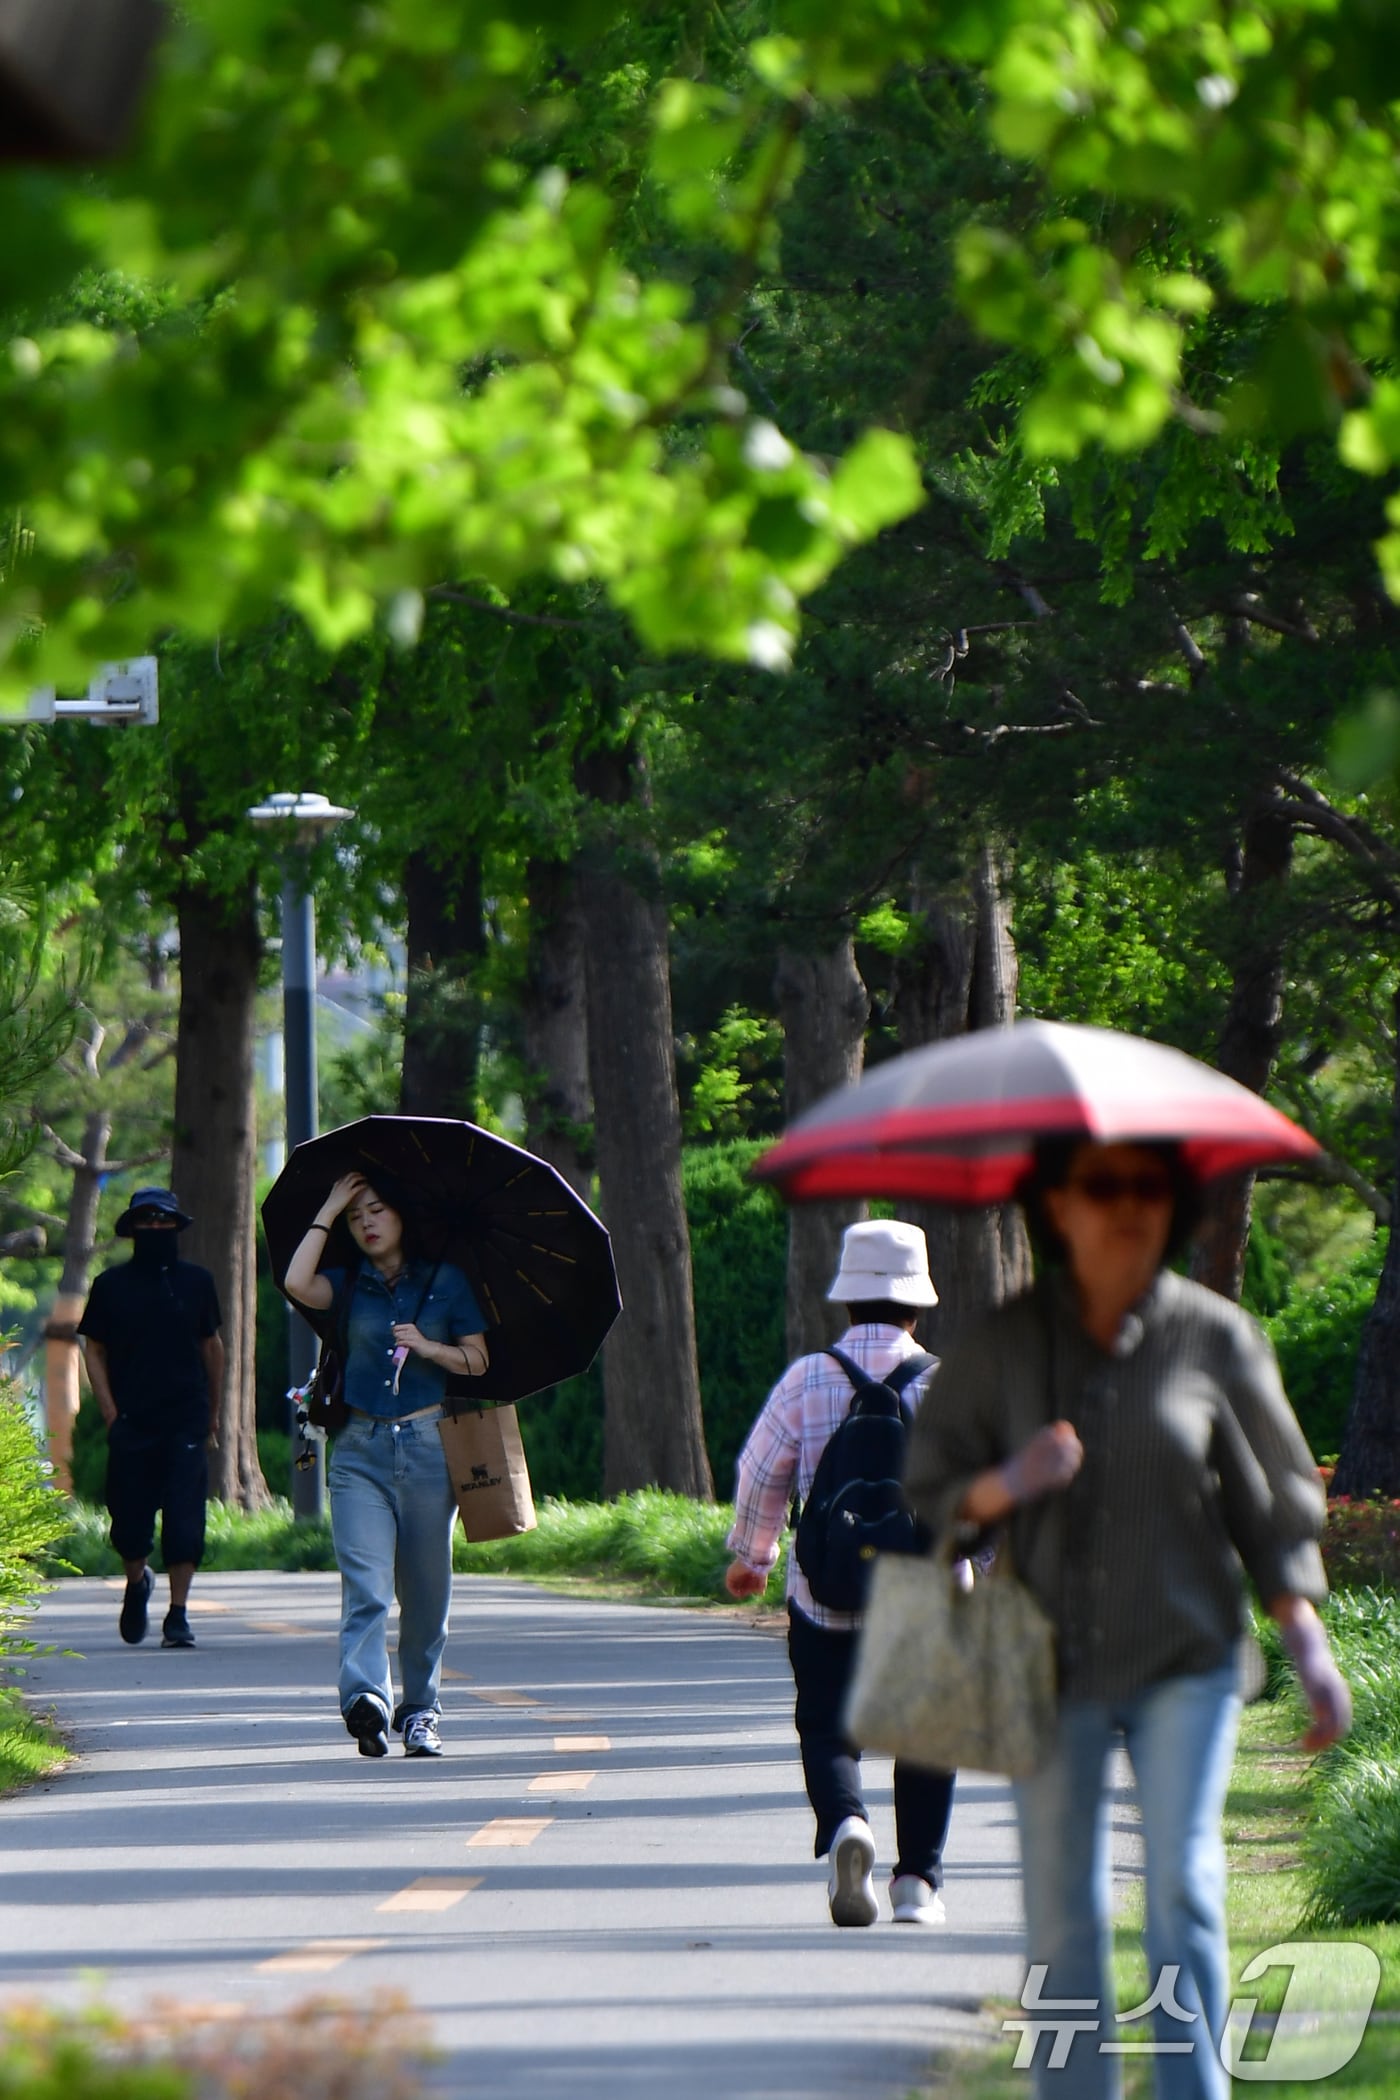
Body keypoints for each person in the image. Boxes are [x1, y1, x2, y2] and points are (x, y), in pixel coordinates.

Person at [902, 1138, 1352, 2100]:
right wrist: (1007, 1482)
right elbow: (933, 1485)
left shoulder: (1217, 1338)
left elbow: (1270, 1508)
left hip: (1187, 1655)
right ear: (1057, 1205)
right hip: (1049, 1660)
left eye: (1152, 1187)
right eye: (1103, 1186)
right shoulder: (1004, 1344)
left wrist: (1308, 1645)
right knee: (1064, 1908)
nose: (1129, 1206)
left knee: (1185, 1885)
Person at [725, 1218, 956, 1929]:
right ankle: (916, 1882)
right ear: (918, 1303)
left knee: (827, 1727)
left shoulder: (808, 1378)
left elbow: (762, 1472)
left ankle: (847, 1824)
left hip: (824, 1595)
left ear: (847, 1301)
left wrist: (751, 1558)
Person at [283, 1170, 490, 1760]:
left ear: (402, 1216)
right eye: (357, 1216)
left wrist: (428, 1346)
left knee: (426, 1597)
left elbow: (477, 1359)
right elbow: (297, 1281)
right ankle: (367, 1701)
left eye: (376, 1209)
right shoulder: (347, 1285)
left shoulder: (445, 1282)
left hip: (429, 1446)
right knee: (366, 1586)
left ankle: (421, 1711)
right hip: (357, 1451)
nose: (366, 1222)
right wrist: (329, 1205)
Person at [79, 1185, 224, 1651]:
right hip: (132, 1420)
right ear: (133, 1229)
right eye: (148, 1221)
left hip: (186, 1416)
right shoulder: (110, 1286)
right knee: (129, 1521)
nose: (157, 1228)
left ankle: (178, 1614)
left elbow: (212, 1347)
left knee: (185, 1520)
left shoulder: (197, 1282)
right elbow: (94, 1349)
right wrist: (109, 1410)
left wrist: (214, 1413)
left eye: (165, 1222)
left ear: (177, 1227)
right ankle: (137, 1581)